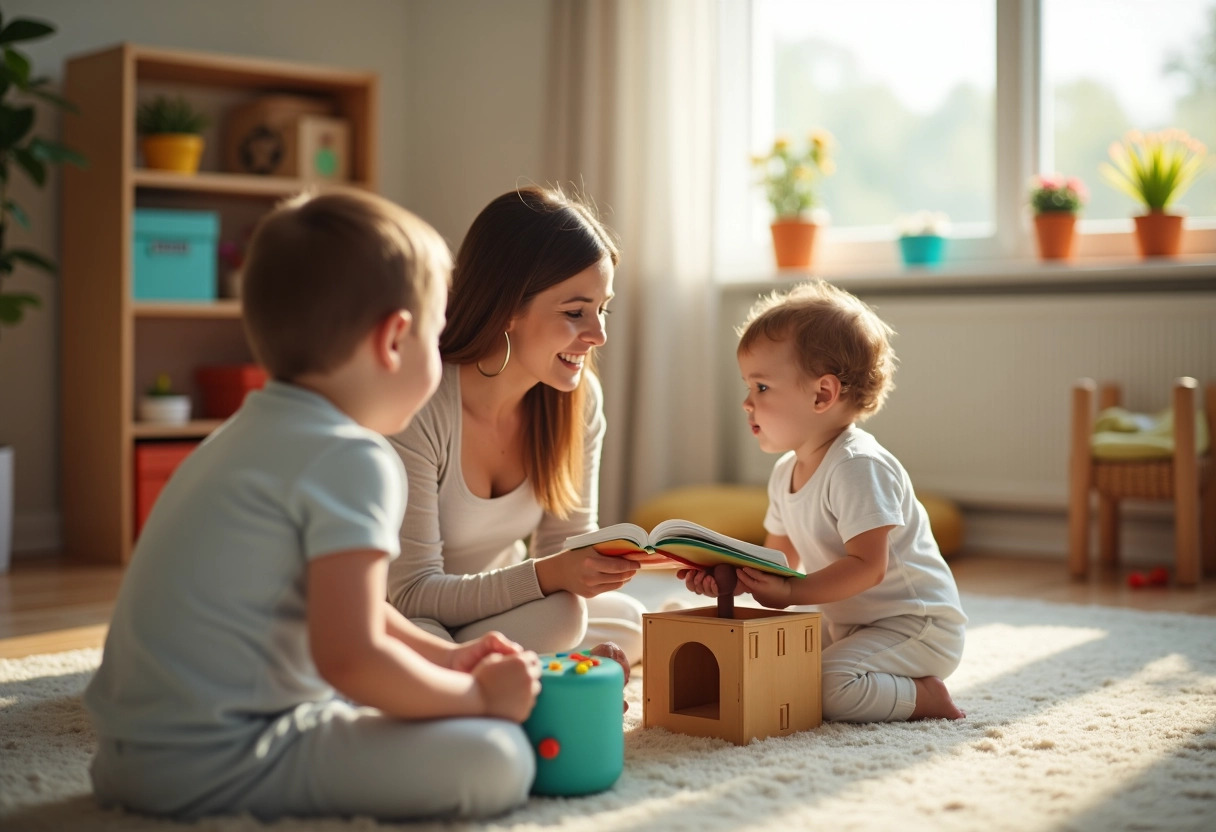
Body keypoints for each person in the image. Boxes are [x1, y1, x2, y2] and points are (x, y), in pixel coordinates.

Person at [83, 190, 543, 822]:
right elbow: (350, 657)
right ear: (394, 340)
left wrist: (446, 657)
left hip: (130, 753)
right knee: (500, 757)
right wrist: (476, 698)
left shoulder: (240, 436)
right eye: (436, 339)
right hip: (223, 761)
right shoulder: (354, 459)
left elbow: (365, 614)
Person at [681, 280, 967, 722]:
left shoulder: (857, 466)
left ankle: (925, 697)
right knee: (778, 672)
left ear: (822, 394)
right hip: (851, 624)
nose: (746, 403)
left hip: (917, 626)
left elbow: (867, 567)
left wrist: (792, 593)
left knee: (823, 688)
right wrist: (734, 578)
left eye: (760, 387)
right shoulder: (784, 473)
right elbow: (777, 558)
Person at [386, 185, 646, 666]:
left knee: (626, 618)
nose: (598, 334)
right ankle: (524, 669)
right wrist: (552, 577)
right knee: (563, 619)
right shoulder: (422, 405)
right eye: (575, 312)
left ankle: (509, 669)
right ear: (508, 308)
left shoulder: (579, 399)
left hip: (491, 608)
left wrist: (599, 566)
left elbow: (563, 550)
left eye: (602, 309)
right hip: (410, 613)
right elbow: (410, 594)